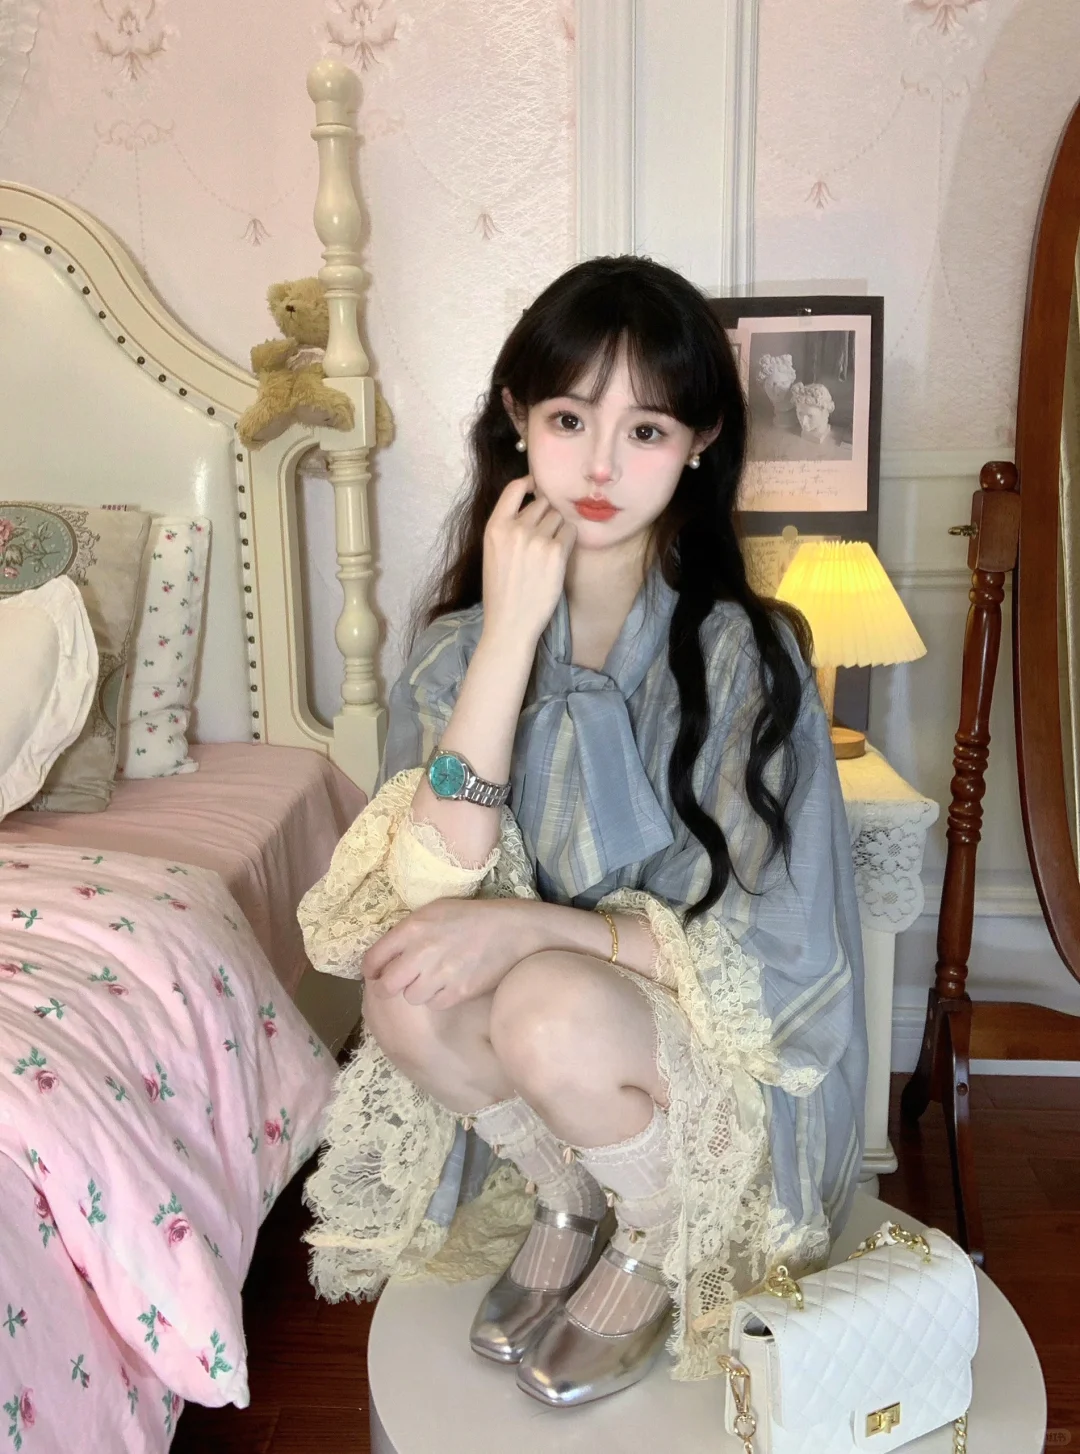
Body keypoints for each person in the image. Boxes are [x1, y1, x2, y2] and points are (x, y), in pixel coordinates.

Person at [298, 255, 867, 1409]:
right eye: (569, 419)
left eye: (646, 429)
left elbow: (773, 960)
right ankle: (569, 1198)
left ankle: (659, 1229)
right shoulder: (462, 645)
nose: (601, 466)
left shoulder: (748, 658)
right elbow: (429, 879)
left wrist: (528, 930)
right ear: (518, 418)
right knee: (402, 980)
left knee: (542, 997)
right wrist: (510, 633)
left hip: (712, 1060)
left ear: (701, 441)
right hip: (575, 1027)